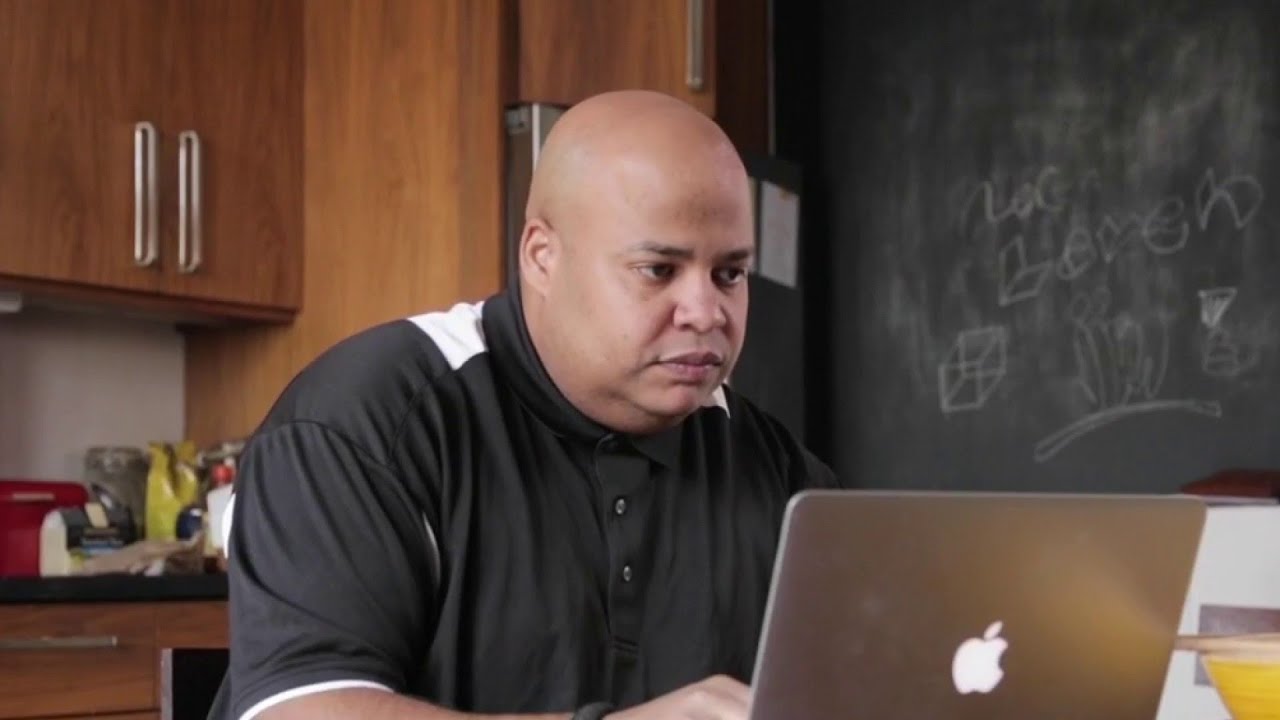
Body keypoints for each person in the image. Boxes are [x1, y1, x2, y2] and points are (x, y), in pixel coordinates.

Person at [209, 89, 843, 720]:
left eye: (730, 274)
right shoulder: (364, 423)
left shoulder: (777, 472)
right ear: (542, 257)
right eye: (658, 269)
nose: (706, 313)